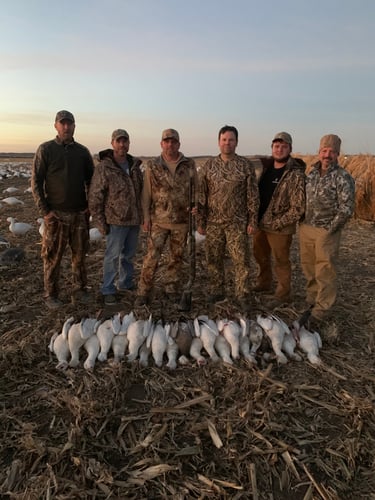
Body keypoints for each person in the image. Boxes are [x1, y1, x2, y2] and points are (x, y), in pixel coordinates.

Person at [32, 110, 94, 309]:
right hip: (56, 215)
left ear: (75, 126)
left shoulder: (82, 152)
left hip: (78, 215)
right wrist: (45, 212)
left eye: (70, 123)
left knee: (80, 255)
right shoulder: (46, 149)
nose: (66, 127)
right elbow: (36, 182)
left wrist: (89, 207)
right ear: (56, 126)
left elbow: (92, 182)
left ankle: (80, 290)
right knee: (52, 256)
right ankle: (51, 294)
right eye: (63, 123)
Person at [196, 125, 259, 310]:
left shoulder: (245, 165)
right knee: (213, 260)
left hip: (237, 223)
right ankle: (217, 290)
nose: (227, 143)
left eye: (231, 140)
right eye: (224, 139)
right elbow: (201, 195)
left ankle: (243, 294)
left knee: (241, 261)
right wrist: (201, 221)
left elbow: (253, 196)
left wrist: (252, 220)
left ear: (236, 142)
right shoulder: (209, 165)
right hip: (213, 223)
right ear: (218, 142)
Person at [135, 129, 197, 306]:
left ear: (179, 144)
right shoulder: (153, 165)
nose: (170, 144)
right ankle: (143, 291)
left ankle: (171, 288)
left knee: (176, 258)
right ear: (161, 144)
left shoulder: (189, 164)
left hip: (181, 221)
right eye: (166, 141)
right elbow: (146, 193)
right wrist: (146, 217)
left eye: (173, 141)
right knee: (151, 257)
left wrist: (195, 207)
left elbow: (196, 189)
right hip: (159, 221)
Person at [299, 134, 355, 326]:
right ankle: (311, 300)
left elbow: (346, 208)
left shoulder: (342, 177)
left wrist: (331, 229)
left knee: (325, 270)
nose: (327, 154)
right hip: (307, 227)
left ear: (338, 154)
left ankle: (322, 310)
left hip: (326, 230)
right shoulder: (312, 173)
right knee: (308, 267)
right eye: (324, 150)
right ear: (319, 151)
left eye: (331, 151)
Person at [88, 129, 143, 306]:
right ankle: (108, 289)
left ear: (129, 143)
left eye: (125, 141)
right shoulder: (104, 167)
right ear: (112, 143)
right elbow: (95, 196)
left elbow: (141, 192)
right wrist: (101, 224)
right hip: (115, 221)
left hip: (134, 220)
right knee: (111, 257)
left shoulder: (134, 167)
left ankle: (126, 283)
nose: (122, 145)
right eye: (118, 141)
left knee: (128, 256)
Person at [252, 132, 306, 307]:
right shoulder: (264, 168)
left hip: (280, 228)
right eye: (276, 146)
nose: (280, 149)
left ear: (290, 149)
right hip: (260, 223)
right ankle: (264, 283)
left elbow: (298, 207)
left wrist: (279, 222)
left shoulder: (295, 173)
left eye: (284, 146)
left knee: (281, 260)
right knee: (260, 256)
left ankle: (283, 294)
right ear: (272, 148)